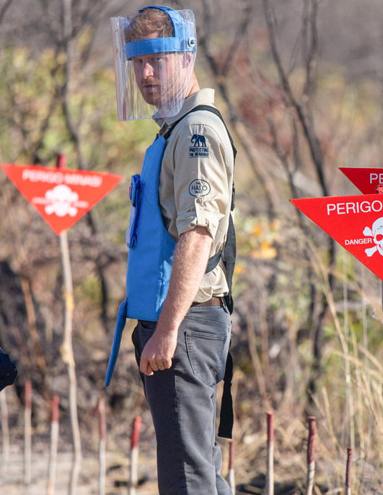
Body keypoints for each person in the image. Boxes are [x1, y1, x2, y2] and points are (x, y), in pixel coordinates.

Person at [106, 6, 236, 494]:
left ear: (187, 56)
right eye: (136, 61)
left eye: (157, 59)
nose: (145, 74)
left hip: (184, 326)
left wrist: (168, 329)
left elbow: (198, 235)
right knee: (199, 473)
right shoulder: (175, 130)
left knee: (188, 481)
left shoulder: (196, 131)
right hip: (177, 327)